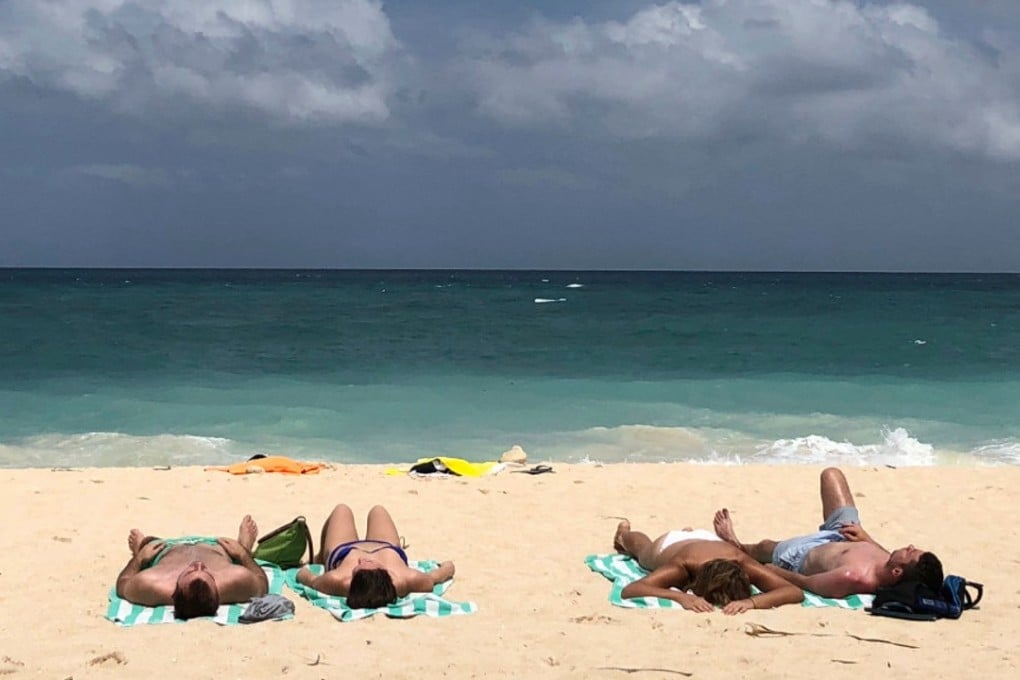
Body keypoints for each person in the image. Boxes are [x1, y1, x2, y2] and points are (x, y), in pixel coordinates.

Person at [712, 467, 944, 598]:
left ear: (896, 572)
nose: (910, 546)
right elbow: (883, 557)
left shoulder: (851, 577)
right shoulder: (891, 565)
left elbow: (807, 583)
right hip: (846, 535)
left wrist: (772, 572)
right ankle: (743, 547)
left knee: (764, 548)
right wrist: (866, 538)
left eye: (911, 553)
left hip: (805, 554)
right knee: (832, 475)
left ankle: (736, 544)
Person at [612, 521, 804, 614]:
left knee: (645, 552)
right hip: (672, 544)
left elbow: (793, 591)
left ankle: (689, 531)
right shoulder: (684, 566)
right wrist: (681, 597)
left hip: (710, 539)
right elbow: (631, 589)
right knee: (644, 552)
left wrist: (751, 602)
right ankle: (623, 536)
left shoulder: (740, 561)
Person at [296, 504, 455, 608]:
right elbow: (438, 576)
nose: (362, 559)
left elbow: (306, 577)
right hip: (385, 545)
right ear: (387, 575)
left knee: (342, 510)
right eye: (368, 564)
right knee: (378, 510)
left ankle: (320, 557)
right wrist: (448, 567)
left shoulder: (338, 581)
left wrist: (308, 570)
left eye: (357, 569)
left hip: (343, 549)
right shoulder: (406, 579)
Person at [116, 514, 269, 619]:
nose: (198, 565)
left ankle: (140, 547)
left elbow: (122, 584)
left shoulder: (153, 583)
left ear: (174, 590)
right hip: (216, 549)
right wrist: (242, 554)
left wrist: (139, 558)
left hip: (167, 551)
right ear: (217, 590)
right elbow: (262, 582)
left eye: (190, 572)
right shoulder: (234, 581)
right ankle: (245, 545)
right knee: (238, 553)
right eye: (206, 572)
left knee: (150, 543)